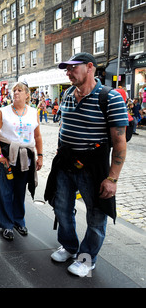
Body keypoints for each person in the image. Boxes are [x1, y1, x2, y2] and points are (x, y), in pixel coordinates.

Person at [45, 52, 128, 277]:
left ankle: (86, 258)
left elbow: (120, 142)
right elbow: (64, 125)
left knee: (96, 215)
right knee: (61, 207)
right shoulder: (68, 94)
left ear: (90, 67)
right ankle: (70, 246)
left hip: (93, 167)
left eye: (73, 68)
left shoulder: (110, 97)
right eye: (67, 69)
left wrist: (112, 178)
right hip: (65, 164)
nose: (68, 73)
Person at [0, 82, 43, 240]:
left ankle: (19, 221)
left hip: (25, 155)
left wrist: (40, 155)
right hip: (6, 154)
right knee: (5, 190)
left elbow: (37, 136)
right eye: (14, 90)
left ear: (27, 94)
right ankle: (7, 225)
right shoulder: (3, 111)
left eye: (20, 90)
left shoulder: (33, 112)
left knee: (20, 190)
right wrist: (0, 155)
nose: (16, 93)